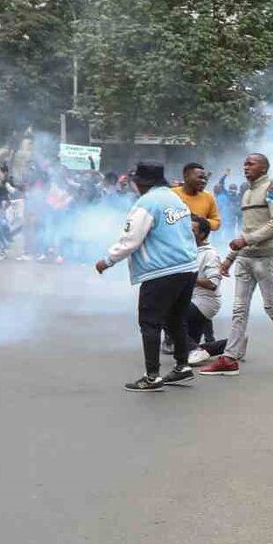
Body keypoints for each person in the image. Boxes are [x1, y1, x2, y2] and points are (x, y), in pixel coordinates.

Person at [94, 163, 198, 393]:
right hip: (187, 268)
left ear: (141, 183)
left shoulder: (146, 204)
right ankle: (182, 365)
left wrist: (107, 260)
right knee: (176, 319)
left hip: (162, 271)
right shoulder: (173, 198)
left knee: (150, 322)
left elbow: (131, 240)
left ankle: (152, 376)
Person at [199, 153, 273, 376]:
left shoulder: (272, 191)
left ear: (264, 168)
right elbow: (246, 229)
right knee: (239, 309)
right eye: (244, 163)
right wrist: (229, 258)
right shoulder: (247, 193)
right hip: (245, 258)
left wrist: (245, 241)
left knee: (271, 307)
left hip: (265, 258)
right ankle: (229, 358)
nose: (245, 167)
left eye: (251, 163)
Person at [184, 217, 225, 365]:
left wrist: (188, 278)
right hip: (192, 300)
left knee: (164, 314)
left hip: (205, 302)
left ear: (202, 234)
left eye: (192, 230)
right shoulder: (188, 251)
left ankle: (196, 350)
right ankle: (232, 344)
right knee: (182, 349)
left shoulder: (210, 255)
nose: (187, 233)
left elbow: (213, 283)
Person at [173, 163, 222, 235]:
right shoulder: (172, 194)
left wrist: (202, 222)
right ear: (186, 176)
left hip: (199, 243)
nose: (204, 181)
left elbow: (217, 223)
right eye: (200, 177)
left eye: (204, 178)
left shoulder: (208, 197)